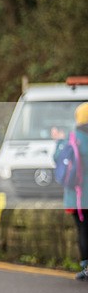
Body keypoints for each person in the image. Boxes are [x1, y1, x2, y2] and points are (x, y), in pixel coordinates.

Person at [55, 102, 88, 279]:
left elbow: (58, 159)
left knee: (83, 230)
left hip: (78, 196)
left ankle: (86, 267)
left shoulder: (73, 138)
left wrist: (59, 141)